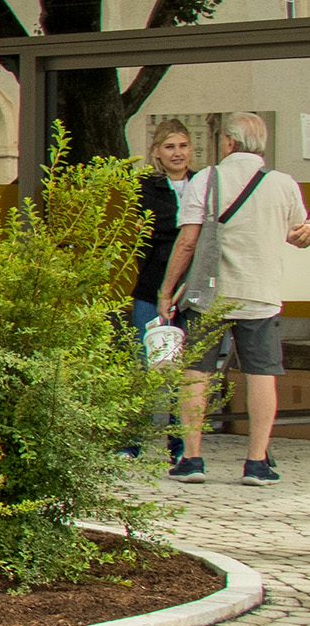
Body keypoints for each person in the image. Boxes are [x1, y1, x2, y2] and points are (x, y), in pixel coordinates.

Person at [157, 112, 310, 487]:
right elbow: (299, 234)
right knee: (261, 375)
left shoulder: (207, 179)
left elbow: (188, 241)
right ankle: (257, 462)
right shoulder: (283, 183)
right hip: (261, 294)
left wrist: (166, 291)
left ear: (227, 142)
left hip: (209, 295)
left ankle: (191, 458)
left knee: (196, 374)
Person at [128, 121, 193, 460]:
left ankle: (178, 444)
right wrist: (184, 227)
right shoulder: (144, 186)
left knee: (184, 370)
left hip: (190, 289)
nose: (177, 153)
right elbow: (157, 227)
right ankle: (131, 441)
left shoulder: (202, 184)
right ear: (157, 152)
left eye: (182, 146)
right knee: (144, 364)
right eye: (170, 147)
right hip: (152, 287)